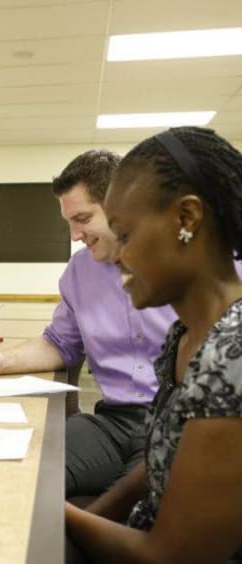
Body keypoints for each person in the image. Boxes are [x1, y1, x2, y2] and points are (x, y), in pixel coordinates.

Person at [66, 127, 242, 563]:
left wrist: (50, 511)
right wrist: (96, 515)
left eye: (125, 235)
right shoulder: (187, 336)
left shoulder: (231, 356)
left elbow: (170, 555)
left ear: (186, 219)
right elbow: (166, 455)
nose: (118, 257)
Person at [0, 150, 177, 498]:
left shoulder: (200, 264)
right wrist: (3, 362)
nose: (75, 234)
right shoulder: (80, 271)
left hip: (179, 424)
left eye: (83, 218)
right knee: (12, 478)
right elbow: (60, 343)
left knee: (135, 508)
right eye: (69, 222)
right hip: (112, 423)